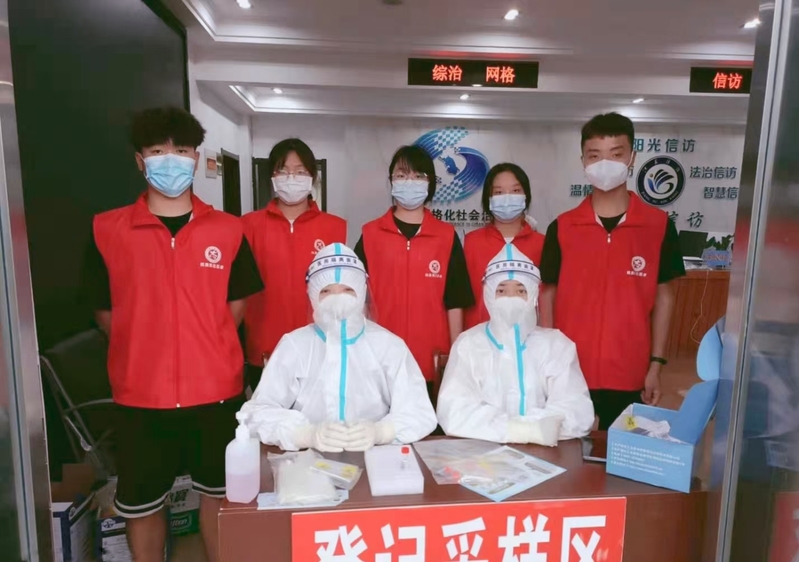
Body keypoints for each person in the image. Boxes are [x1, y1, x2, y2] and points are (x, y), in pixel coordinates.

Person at [81, 107, 264, 562]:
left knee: (220, 497)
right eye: (158, 150)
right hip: (140, 396)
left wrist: (204, 342)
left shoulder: (229, 230)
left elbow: (235, 306)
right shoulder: (107, 230)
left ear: (196, 158)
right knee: (142, 507)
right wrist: (144, 343)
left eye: (181, 150)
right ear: (140, 160)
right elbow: (104, 310)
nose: (171, 159)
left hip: (216, 392)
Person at [539, 112, 685, 429]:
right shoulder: (562, 228)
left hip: (631, 371)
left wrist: (656, 364)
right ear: (583, 161)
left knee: (621, 453)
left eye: (616, 154)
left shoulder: (658, 227)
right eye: (595, 155)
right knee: (567, 453)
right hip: (570, 371)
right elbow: (547, 295)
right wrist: (547, 363)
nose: (605, 164)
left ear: (632, 158)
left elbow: (665, 298)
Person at [239, 243, 437, 451]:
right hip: (308, 460)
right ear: (312, 295)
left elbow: (419, 411)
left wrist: (382, 432)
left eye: (348, 290)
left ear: (362, 292)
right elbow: (256, 412)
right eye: (326, 291)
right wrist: (304, 435)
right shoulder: (295, 345)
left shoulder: (389, 346)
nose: (337, 298)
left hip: (375, 457)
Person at [437, 244, 594, 444]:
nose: (511, 299)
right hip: (482, 455)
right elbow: (454, 411)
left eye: (521, 291)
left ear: (533, 295)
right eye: (502, 291)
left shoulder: (557, 346)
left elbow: (576, 410)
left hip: (545, 454)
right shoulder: (469, 345)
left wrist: (527, 430)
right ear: (488, 295)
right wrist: (520, 430)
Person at [354, 145, 475, 392]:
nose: (409, 182)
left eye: (418, 176)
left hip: (431, 362)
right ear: (391, 182)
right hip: (378, 362)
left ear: (430, 183)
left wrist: (454, 361)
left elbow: (455, 303)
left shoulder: (446, 236)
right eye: (402, 175)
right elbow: (356, 300)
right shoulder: (370, 234)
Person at [242, 138, 347, 388]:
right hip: (263, 349)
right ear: (272, 177)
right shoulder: (247, 226)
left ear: (312, 177)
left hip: (320, 348)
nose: (291, 178)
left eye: (300, 171)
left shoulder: (335, 227)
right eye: (283, 171)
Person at [463, 163, 546, 330]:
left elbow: (547, 301)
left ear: (526, 196)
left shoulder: (542, 244)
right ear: (488, 199)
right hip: (480, 339)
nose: (507, 198)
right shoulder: (471, 242)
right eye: (499, 192)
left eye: (515, 191)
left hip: (529, 340)